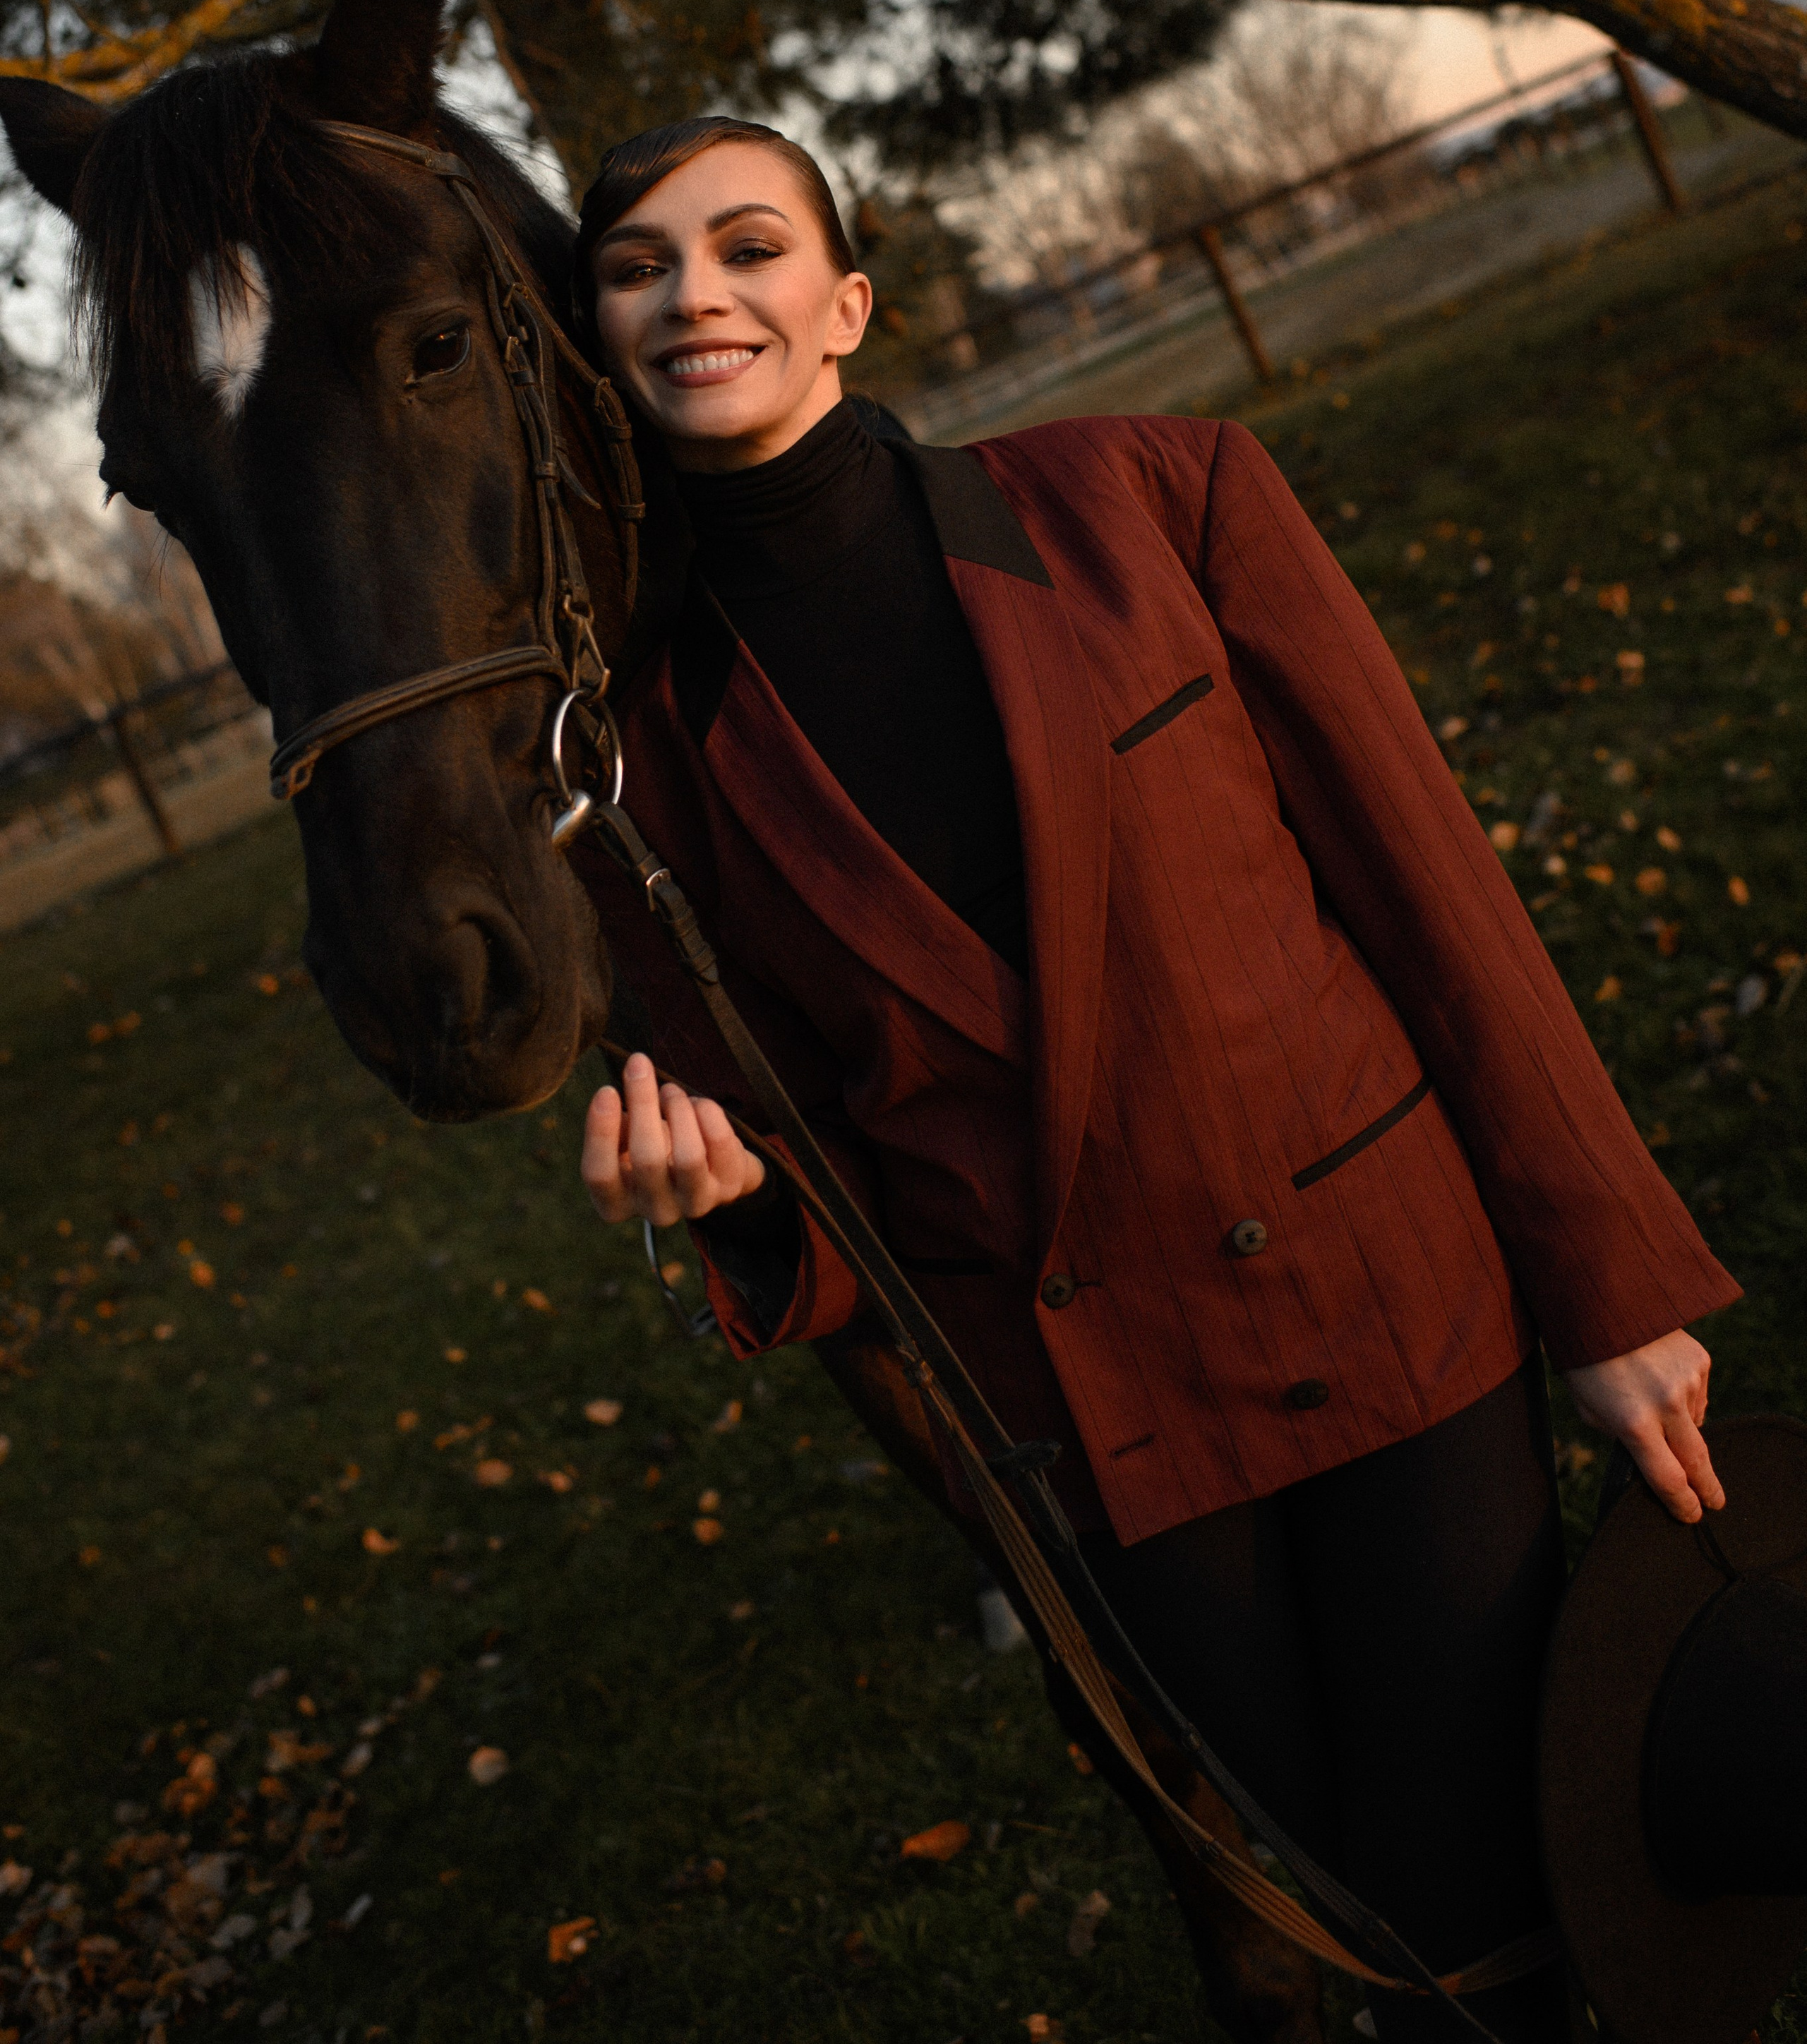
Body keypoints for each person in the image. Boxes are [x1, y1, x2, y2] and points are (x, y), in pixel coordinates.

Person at [572, 114, 1740, 2043]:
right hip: (1099, 1431)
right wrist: (728, 1198)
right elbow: (819, 1180)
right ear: (600, 334)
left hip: (1389, 1314)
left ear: (844, 302)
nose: (697, 292)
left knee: (1517, 1895)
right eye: (637, 266)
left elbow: (1446, 913)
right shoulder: (639, 741)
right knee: (1326, 1924)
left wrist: (1612, 1289)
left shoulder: (1160, 498)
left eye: (749, 246)